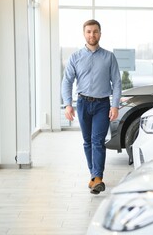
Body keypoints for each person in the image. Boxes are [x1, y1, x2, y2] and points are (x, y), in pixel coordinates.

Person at [61, 19, 122, 195]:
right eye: (89, 31)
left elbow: (117, 82)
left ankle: (98, 177)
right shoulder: (75, 57)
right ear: (84, 34)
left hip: (103, 104)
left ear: (100, 34)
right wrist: (67, 104)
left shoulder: (109, 57)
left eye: (95, 31)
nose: (92, 35)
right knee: (87, 142)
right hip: (82, 104)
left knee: (97, 141)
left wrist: (115, 105)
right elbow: (67, 81)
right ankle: (93, 177)